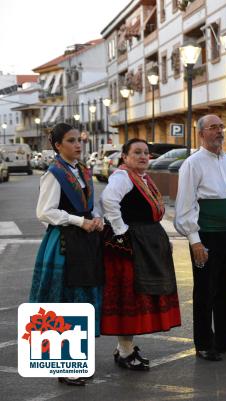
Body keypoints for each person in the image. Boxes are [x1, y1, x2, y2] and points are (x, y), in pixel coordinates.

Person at [174, 114, 226, 362]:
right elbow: (185, 206)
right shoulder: (193, 164)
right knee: (206, 290)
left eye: (221, 127)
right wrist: (195, 240)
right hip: (206, 233)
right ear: (201, 133)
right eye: (213, 128)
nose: (219, 131)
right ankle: (204, 342)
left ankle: (225, 338)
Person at [30, 123, 104, 386]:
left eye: (79, 140)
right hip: (63, 243)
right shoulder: (54, 173)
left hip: (84, 241)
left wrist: (95, 219)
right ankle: (65, 365)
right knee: (64, 302)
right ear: (58, 145)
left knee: (80, 300)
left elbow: (88, 207)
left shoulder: (82, 170)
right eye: (71, 140)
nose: (77, 145)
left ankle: (76, 361)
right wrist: (79, 221)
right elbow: (45, 212)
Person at [101, 138, 181, 371]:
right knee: (132, 298)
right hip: (131, 244)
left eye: (146, 152)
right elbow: (108, 201)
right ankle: (125, 351)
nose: (143, 156)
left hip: (147, 240)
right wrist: (122, 232)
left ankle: (124, 348)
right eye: (137, 152)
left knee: (143, 295)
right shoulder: (122, 177)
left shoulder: (142, 178)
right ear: (125, 157)